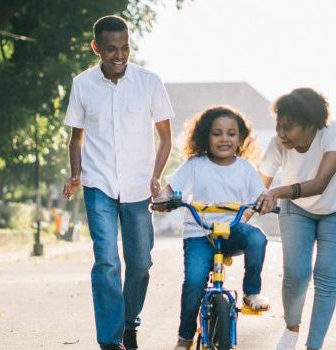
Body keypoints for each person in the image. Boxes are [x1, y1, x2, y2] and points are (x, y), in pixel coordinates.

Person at [61, 15, 174, 350]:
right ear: (97, 48)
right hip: (99, 185)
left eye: (125, 47)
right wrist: (75, 175)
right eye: (111, 49)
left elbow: (166, 138)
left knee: (140, 263)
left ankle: (128, 323)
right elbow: (75, 139)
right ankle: (111, 342)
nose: (120, 55)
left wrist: (156, 174)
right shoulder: (82, 84)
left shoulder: (150, 82)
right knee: (107, 260)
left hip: (139, 186)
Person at [153, 105, 270, 350]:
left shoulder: (246, 169)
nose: (224, 139)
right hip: (200, 233)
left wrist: (259, 206)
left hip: (232, 231)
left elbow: (259, 199)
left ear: (240, 138)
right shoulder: (195, 164)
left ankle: (251, 292)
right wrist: (163, 200)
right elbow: (170, 190)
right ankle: (185, 337)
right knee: (194, 282)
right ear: (206, 136)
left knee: (257, 238)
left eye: (231, 133)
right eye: (217, 133)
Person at [255, 88, 336, 350]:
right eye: (278, 125)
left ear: (311, 124)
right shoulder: (279, 143)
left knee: (326, 276)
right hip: (297, 209)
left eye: (288, 127)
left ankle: (314, 346)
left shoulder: (335, 133)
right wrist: (244, 207)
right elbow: (259, 184)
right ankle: (291, 329)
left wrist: (276, 192)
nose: (280, 133)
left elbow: (321, 183)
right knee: (296, 273)